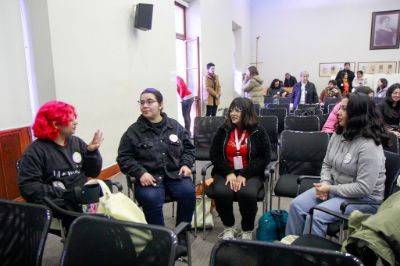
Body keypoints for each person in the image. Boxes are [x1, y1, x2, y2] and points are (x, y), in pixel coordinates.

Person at [286, 92, 388, 237]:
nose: (338, 112)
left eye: (344, 109)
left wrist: (330, 188)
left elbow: (363, 188)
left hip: (364, 200)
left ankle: (311, 257)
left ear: (358, 114)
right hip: (335, 188)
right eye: (340, 108)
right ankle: (290, 247)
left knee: (317, 215)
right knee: (296, 205)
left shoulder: (369, 146)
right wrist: (325, 183)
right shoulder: (339, 134)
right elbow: (327, 164)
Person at [117, 88, 195, 226]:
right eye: (141, 103)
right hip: (150, 178)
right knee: (151, 199)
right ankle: (161, 238)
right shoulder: (133, 131)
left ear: (160, 104)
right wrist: (140, 173)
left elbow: (189, 148)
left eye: (149, 101)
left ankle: (182, 234)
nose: (145, 106)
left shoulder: (175, 126)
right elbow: (124, 157)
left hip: (175, 174)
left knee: (188, 193)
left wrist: (186, 164)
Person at [18, 101, 103, 210]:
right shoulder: (35, 151)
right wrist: (66, 194)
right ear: (56, 124)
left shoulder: (76, 142)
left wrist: (91, 152)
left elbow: (93, 172)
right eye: (71, 120)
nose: (75, 122)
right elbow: (28, 187)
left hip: (84, 197)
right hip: (61, 204)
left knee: (115, 210)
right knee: (101, 222)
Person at [209, 97, 271, 240]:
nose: (232, 113)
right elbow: (214, 154)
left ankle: (247, 229)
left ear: (247, 113)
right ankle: (229, 226)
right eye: (231, 110)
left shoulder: (258, 131)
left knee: (247, 194)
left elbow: (265, 157)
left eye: (237, 110)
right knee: (221, 192)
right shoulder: (223, 130)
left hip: (251, 172)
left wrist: (244, 174)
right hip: (226, 171)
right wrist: (228, 173)